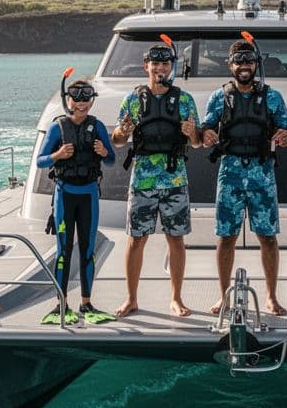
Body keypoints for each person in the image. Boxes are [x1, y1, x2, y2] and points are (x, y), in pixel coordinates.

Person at [199, 39, 287, 315]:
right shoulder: (219, 97)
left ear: (256, 64)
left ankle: (271, 297)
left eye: (249, 61)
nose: (244, 66)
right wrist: (206, 135)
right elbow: (206, 129)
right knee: (226, 236)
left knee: (267, 236)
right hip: (229, 172)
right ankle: (223, 296)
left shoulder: (272, 96)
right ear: (230, 65)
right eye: (238, 61)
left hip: (261, 173)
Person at [111, 42, 203, 318]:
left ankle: (176, 298)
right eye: (155, 63)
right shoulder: (132, 100)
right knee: (136, 240)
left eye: (165, 64)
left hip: (175, 180)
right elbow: (118, 140)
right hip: (142, 181)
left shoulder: (184, 100)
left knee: (176, 239)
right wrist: (122, 131)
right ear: (146, 66)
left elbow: (197, 144)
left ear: (170, 67)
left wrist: (191, 133)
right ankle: (131, 299)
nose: (160, 68)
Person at [35, 79, 117, 325]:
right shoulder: (57, 128)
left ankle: (86, 302)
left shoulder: (98, 126)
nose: (81, 104)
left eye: (86, 99)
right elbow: (40, 161)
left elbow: (111, 160)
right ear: (67, 100)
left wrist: (104, 152)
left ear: (91, 101)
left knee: (88, 250)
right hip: (65, 196)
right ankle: (61, 304)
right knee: (64, 251)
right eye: (76, 99)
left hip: (89, 195)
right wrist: (57, 155)